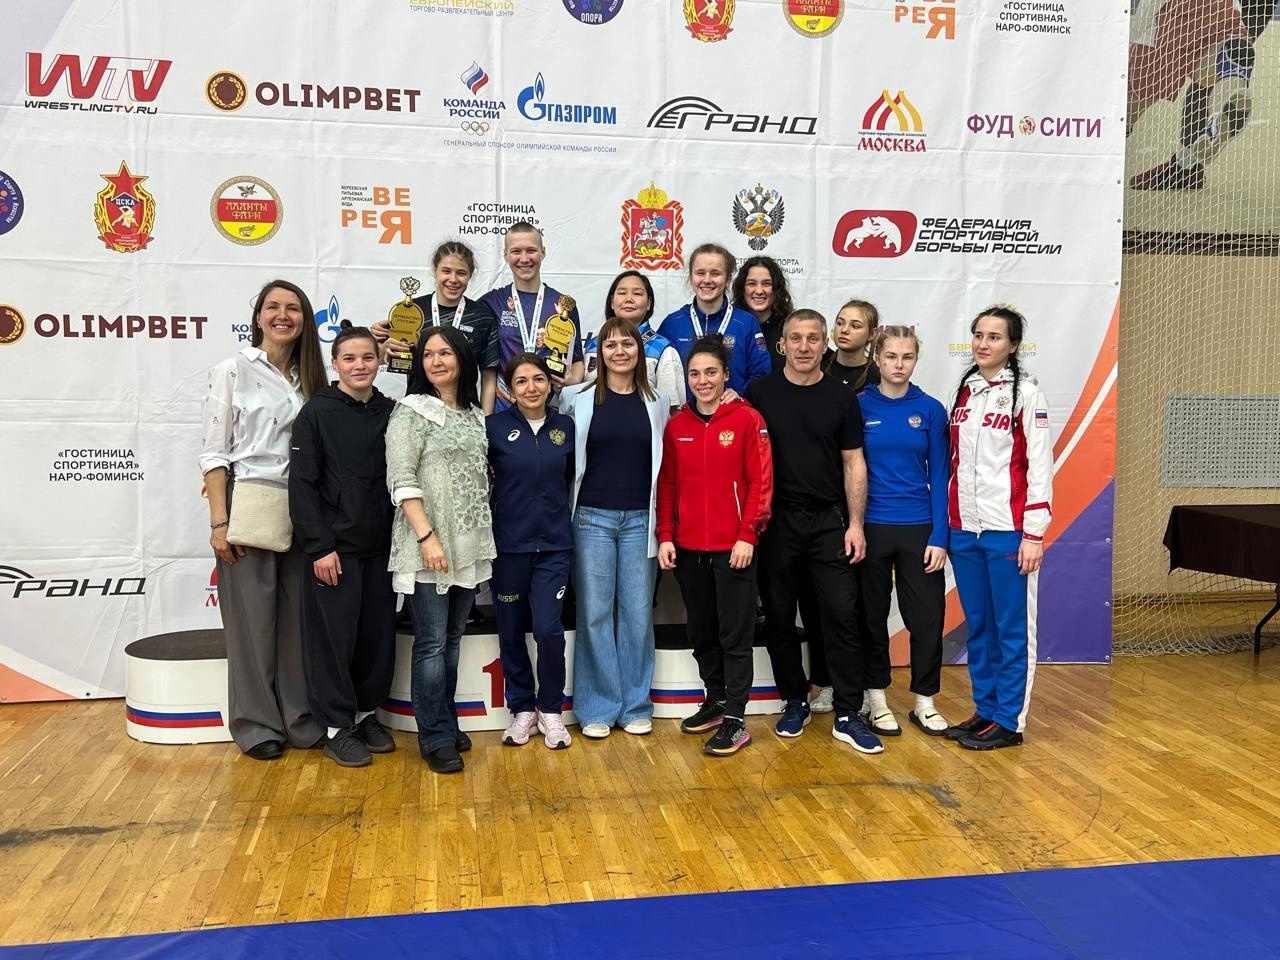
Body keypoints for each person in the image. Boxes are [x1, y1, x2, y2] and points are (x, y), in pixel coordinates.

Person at [199, 280, 327, 760]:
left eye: (293, 308)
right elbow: (213, 452)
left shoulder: (312, 378)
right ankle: (256, 725)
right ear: (258, 317)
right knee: (253, 624)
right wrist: (219, 522)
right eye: (273, 307)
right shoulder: (233, 370)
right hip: (249, 501)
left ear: (305, 320)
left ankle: (300, 719)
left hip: (302, 506)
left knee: (297, 623)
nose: (283, 315)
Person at [745, 309, 882, 755]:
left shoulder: (842, 396)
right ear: (782, 344)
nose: (804, 347)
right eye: (796, 338)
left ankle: (847, 711)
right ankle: (794, 700)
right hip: (776, 522)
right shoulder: (759, 393)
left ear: (825, 345)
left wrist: (856, 524)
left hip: (828, 522)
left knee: (841, 615)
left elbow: (853, 462)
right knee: (780, 618)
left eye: (813, 339)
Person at [386, 326, 496, 773]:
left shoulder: (474, 414)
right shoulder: (411, 411)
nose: (436, 361)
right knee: (431, 644)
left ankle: (447, 723)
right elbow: (401, 478)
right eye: (428, 354)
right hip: (428, 546)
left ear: (462, 359)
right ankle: (433, 737)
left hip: (467, 547)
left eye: (446, 353)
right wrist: (426, 537)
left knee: (451, 641)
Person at [657, 335, 773, 756]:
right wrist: (666, 536)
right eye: (694, 374)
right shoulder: (677, 426)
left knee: (734, 635)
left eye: (711, 372)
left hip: (734, 548)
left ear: (726, 374)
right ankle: (717, 700)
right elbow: (667, 485)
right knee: (702, 631)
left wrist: (747, 535)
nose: (702, 381)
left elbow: (761, 483)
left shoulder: (747, 419)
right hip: (689, 548)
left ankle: (737, 720)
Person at [945, 306, 1053, 751]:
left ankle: (1009, 721)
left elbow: (1040, 468)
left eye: (994, 337)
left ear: (1013, 345)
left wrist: (1033, 534)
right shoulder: (965, 392)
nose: (983, 343)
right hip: (965, 531)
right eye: (978, 335)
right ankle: (985, 711)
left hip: (1009, 532)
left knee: (1011, 631)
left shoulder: (1027, 394)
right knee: (979, 628)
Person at [289, 322, 397, 767]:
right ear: (334, 364)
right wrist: (318, 546)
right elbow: (302, 485)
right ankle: (336, 727)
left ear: (379, 361)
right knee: (333, 641)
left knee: (376, 638)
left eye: (368, 357)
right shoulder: (316, 413)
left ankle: (367, 715)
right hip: (334, 550)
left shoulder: (392, 412)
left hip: (383, 548)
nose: (359, 365)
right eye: (349, 358)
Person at [562, 316, 670, 739]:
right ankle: (597, 708)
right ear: (600, 352)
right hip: (591, 518)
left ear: (639, 351)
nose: (620, 351)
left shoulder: (658, 400)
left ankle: (636, 706)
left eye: (628, 344)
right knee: (595, 613)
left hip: (642, 520)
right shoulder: (576, 397)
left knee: (638, 613)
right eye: (611, 345)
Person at [856, 326, 950, 738]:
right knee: (871, 618)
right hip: (871, 528)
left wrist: (940, 536)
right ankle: (876, 700)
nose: (898, 364)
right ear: (877, 359)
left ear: (915, 360)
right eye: (891, 356)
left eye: (906, 357)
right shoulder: (858, 405)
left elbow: (942, 475)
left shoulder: (930, 409)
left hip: (919, 528)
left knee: (926, 619)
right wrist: (853, 527)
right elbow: (849, 470)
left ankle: (925, 703)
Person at [486, 353, 576, 750]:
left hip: (554, 546)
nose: (531, 388)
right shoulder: (493, 428)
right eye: (521, 381)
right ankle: (522, 709)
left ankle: (551, 710)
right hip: (509, 547)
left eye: (538, 379)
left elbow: (570, 477)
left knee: (547, 630)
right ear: (510, 389)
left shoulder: (566, 427)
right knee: (510, 630)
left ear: (550, 383)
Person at [1128, 0, 1274, 190]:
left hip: (1178, 13)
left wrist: (1133, 38)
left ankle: (1100, 149)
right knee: (1222, 61)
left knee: (1134, 95)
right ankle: (1228, 87)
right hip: (1228, 9)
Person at [373, 241, 501, 413]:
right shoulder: (412, 311)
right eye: (446, 271)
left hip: (464, 413)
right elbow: (384, 359)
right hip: (417, 412)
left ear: (470, 275)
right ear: (435, 270)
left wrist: (486, 419)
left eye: (461, 273)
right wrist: (382, 350)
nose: (453, 279)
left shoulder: (482, 317)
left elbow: (489, 376)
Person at [478, 221, 586, 410]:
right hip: (505, 406)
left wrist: (572, 379)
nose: (524, 258)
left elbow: (576, 360)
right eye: (516, 251)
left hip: (549, 406)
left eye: (531, 250)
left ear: (543, 252)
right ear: (505, 255)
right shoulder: (491, 302)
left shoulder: (564, 305)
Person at [657, 243, 771, 401]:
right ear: (691, 277)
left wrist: (740, 394)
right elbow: (660, 376)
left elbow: (761, 373)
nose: (707, 280)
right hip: (686, 414)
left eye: (715, 273)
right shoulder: (672, 324)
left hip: (732, 413)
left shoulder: (746, 322)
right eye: (700, 273)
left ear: (728, 279)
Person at [584, 270, 685, 406]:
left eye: (637, 293)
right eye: (622, 293)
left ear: (649, 303)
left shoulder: (663, 350)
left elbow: (671, 408)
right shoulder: (593, 346)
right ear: (612, 302)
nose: (629, 299)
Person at [731, 254, 794, 371]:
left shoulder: (791, 326)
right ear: (742, 289)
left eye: (766, 284)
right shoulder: (730, 326)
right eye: (751, 284)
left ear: (776, 288)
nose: (759, 291)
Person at [825, 299, 882, 392]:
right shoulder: (818, 369)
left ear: (872, 334)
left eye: (855, 326)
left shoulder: (879, 376)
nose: (844, 330)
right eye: (839, 323)